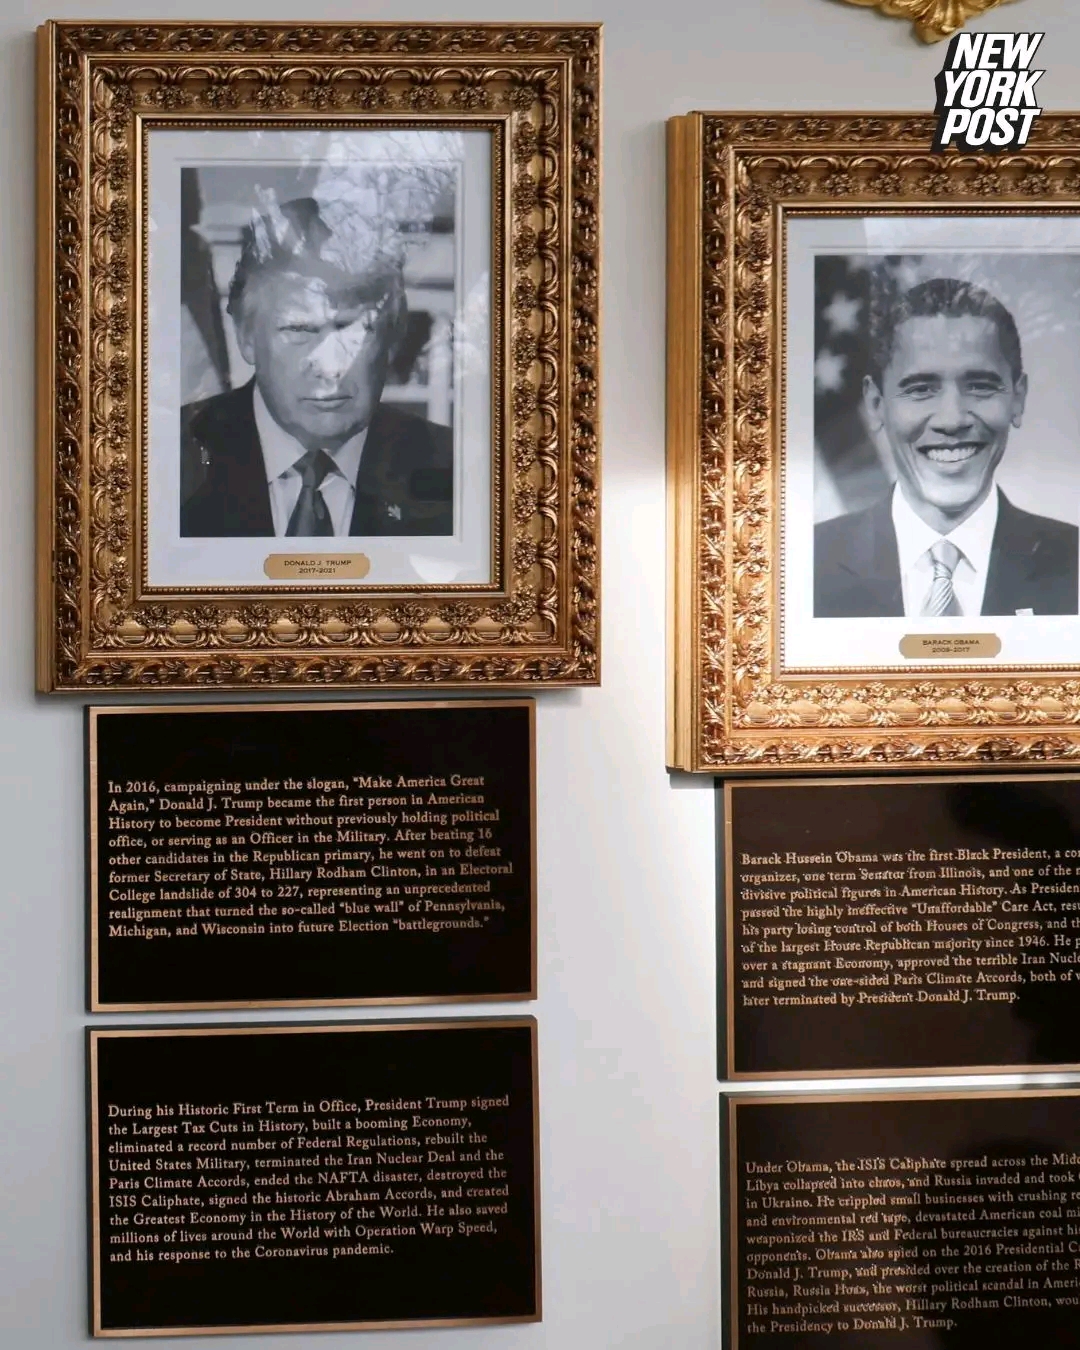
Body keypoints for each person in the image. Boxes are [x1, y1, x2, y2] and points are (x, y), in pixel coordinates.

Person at [180, 194, 452, 538]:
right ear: (247, 336)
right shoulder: (163, 462)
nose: (329, 366)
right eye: (298, 330)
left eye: (353, 330)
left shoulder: (456, 472)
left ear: (392, 336)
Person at [814, 276, 1078, 618]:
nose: (952, 420)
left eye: (981, 386)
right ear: (877, 403)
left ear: (1018, 398)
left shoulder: (1075, 561)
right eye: (921, 389)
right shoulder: (804, 563)